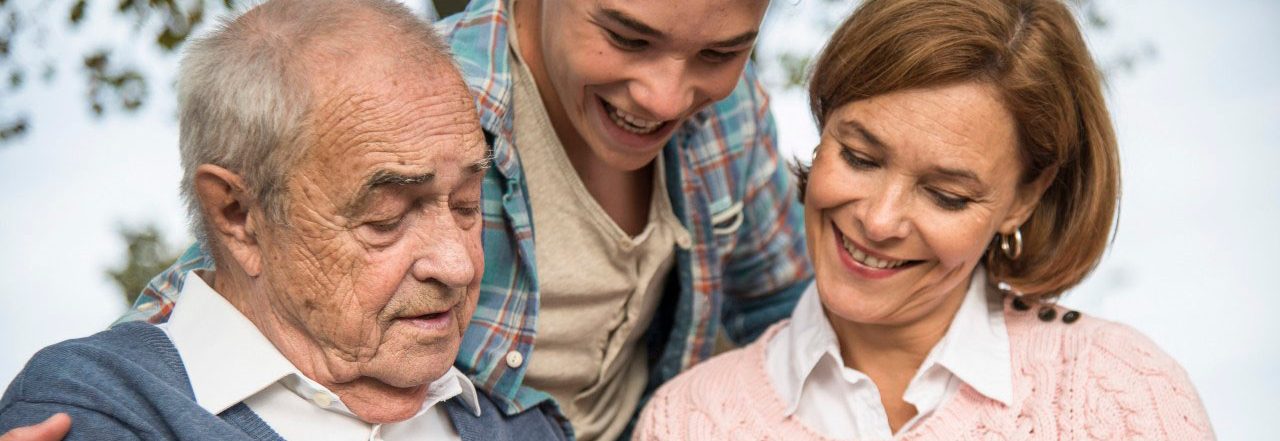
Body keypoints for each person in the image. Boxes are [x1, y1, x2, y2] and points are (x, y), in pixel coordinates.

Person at [117, 0, 812, 439]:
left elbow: (786, 307)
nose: (666, 95)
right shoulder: (418, 97)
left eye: (719, 53)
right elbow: (230, 279)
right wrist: (98, 408)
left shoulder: (728, 113)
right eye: (627, 37)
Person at [635, 0, 1215, 439]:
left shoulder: (1121, 393)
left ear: (1025, 196)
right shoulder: (688, 419)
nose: (881, 221)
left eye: (945, 195)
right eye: (859, 158)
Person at [0, 1, 568, 439]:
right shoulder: (93, 409)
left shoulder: (526, 428)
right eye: (387, 218)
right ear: (238, 216)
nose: (460, 263)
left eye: (468, 204)